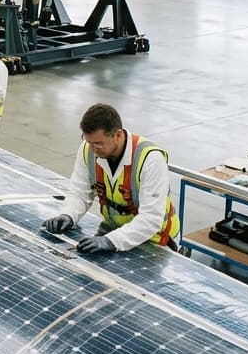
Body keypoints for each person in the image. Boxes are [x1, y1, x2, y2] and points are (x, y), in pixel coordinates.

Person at [42, 103, 179, 254]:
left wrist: (111, 241)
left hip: (156, 242)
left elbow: (151, 219)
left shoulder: (150, 160)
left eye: (99, 144)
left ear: (118, 135)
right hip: (115, 231)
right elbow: (80, 192)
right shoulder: (88, 150)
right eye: (89, 142)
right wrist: (68, 214)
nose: (93, 149)